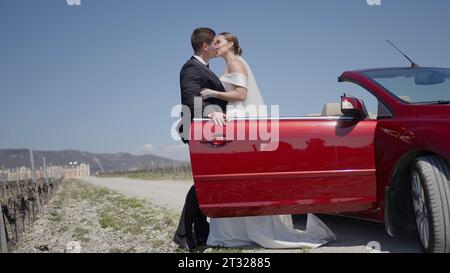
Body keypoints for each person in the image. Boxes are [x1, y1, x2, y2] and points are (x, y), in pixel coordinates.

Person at [200, 32, 337, 249]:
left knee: (241, 174)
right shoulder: (230, 65)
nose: (215, 45)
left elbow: (241, 95)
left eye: (219, 42)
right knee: (236, 176)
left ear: (231, 44)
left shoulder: (236, 64)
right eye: (214, 42)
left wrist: (211, 93)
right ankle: (238, 229)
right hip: (235, 118)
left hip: (241, 118)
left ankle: (249, 230)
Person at [173, 27, 228, 250]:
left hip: (206, 130)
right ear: (205, 46)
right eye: (214, 43)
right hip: (200, 130)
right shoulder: (191, 68)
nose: (217, 46)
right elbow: (189, 98)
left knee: (204, 182)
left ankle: (200, 232)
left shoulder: (203, 67)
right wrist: (210, 112)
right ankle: (183, 233)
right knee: (204, 183)